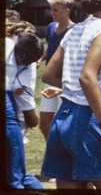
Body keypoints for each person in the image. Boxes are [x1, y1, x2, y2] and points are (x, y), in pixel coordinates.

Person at [40, 0, 101, 189]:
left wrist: (68, 90)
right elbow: (87, 76)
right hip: (93, 120)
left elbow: (49, 75)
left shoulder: (74, 29)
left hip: (64, 119)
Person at [5, 29, 45, 190]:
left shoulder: (26, 71)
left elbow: (32, 119)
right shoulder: (9, 47)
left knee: (15, 179)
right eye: (22, 59)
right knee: (17, 175)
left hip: (17, 123)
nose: (23, 63)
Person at [39, 0, 75, 140]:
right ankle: (54, 152)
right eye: (51, 9)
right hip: (49, 81)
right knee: (44, 123)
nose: (51, 13)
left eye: (55, 10)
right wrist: (39, 59)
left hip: (64, 83)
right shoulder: (51, 27)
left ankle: (65, 154)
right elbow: (50, 47)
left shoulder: (74, 30)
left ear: (66, 10)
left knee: (64, 124)